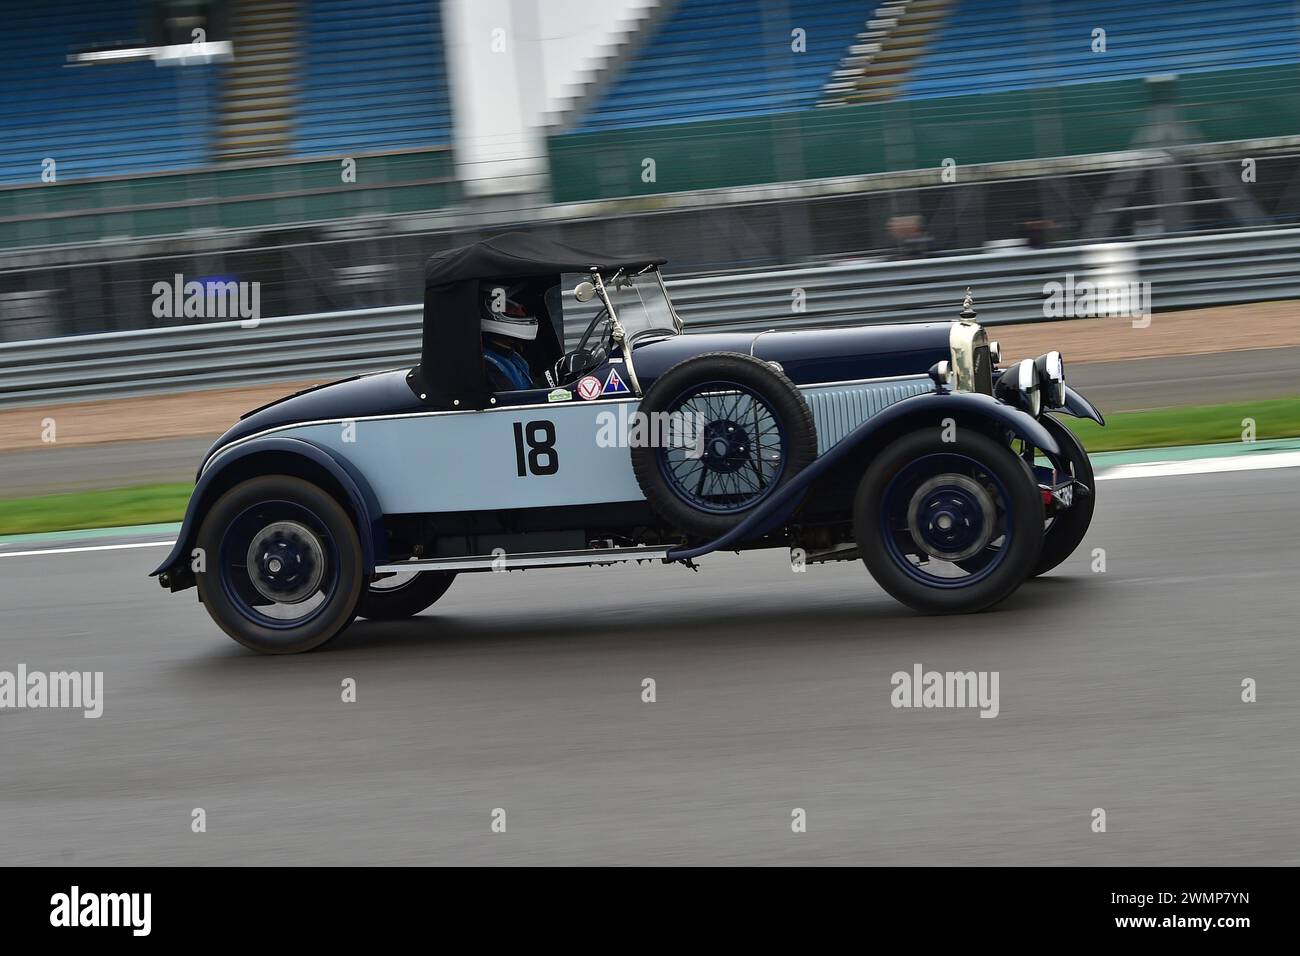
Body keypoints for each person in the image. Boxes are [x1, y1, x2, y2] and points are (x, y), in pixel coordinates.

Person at [480, 285, 537, 391]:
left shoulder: (513, 356)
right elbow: (517, 403)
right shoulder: (487, 365)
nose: (521, 311)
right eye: (510, 306)